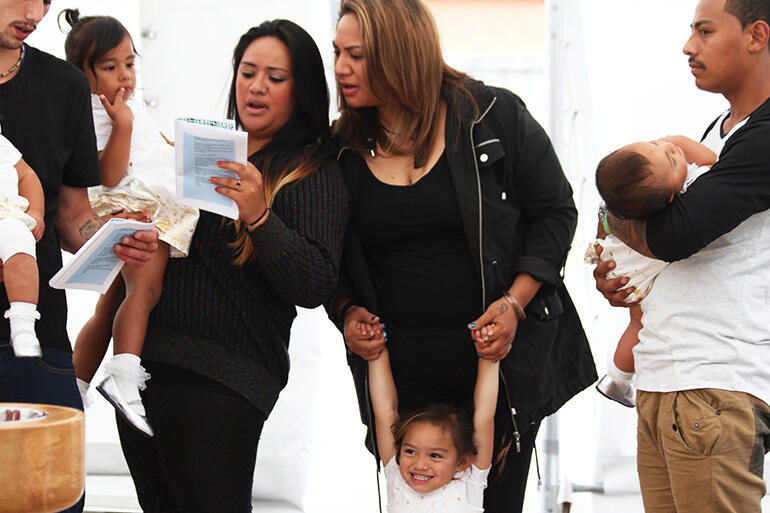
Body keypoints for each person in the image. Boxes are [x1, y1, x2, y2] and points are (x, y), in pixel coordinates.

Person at [328, 1, 596, 511]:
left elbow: (557, 212)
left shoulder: (492, 115)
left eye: (357, 55)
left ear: (400, 52)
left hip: (499, 373)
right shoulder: (342, 148)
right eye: (338, 52)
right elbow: (333, 258)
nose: (340, 67)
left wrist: (514, 304)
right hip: (399, 376)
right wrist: (346, 312)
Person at [115, 20, 348, 513]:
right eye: (247, 72)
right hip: (145, 369)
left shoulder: (312, 170)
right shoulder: (209, 151)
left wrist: (260, 215)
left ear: (302, 89)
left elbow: (313, 283)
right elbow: (174, 251)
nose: (256, 86)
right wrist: (139, 238)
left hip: (221, 381)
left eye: (275, 77)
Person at [593, 0, 770, 511]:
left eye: (705, 31)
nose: (688, 46)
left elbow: (674, 236)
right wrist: (618, 268)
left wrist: (608, 218)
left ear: (757, 35)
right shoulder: (719, 131)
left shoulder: (763, 137)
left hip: (714, 385)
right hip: (666, 380)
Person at [0, 2, 158, 512]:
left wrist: (112, 237)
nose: (33, 12)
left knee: (51, 502)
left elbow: (73, 214)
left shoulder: (64, 86)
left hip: (34, 347)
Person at [60, 9, 199, 438]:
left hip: (139, 193)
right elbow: (108, 174)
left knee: (109, 306)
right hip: (128, 204)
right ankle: (125, 373)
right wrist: (122, 125)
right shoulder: (98, 111)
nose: (124, 75)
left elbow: (151, 147)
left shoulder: (123, 104)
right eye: (109, 67)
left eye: (130, 62)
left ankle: (73, 392)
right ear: (82, 74)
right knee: (146, 289)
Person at [586, 135, 716, 407]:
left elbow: (606, 219)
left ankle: (616, 380)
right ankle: (617, 380)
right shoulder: (692, 186)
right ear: (670, 199)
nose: (672, 148)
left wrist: (660, 152)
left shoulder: (635, 203)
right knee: (639, 324)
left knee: (637, 324)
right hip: (638, 276)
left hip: (624, 265)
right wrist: (674, 140)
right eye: (670, 158)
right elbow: (709, 159)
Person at [369, 347, 498, 512]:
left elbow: (484, 418)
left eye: (435, 455)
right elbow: (384, 412)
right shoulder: (397, 479)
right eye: (410, 451)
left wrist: (489, 353)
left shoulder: (469, 483)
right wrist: (375, 350)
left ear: (462, 462)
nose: (420, 465)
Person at [0, 133, 44, 358]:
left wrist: (35, 211)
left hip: (6, 216)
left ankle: (24, 324)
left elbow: (26, 175)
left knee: (20, 239)